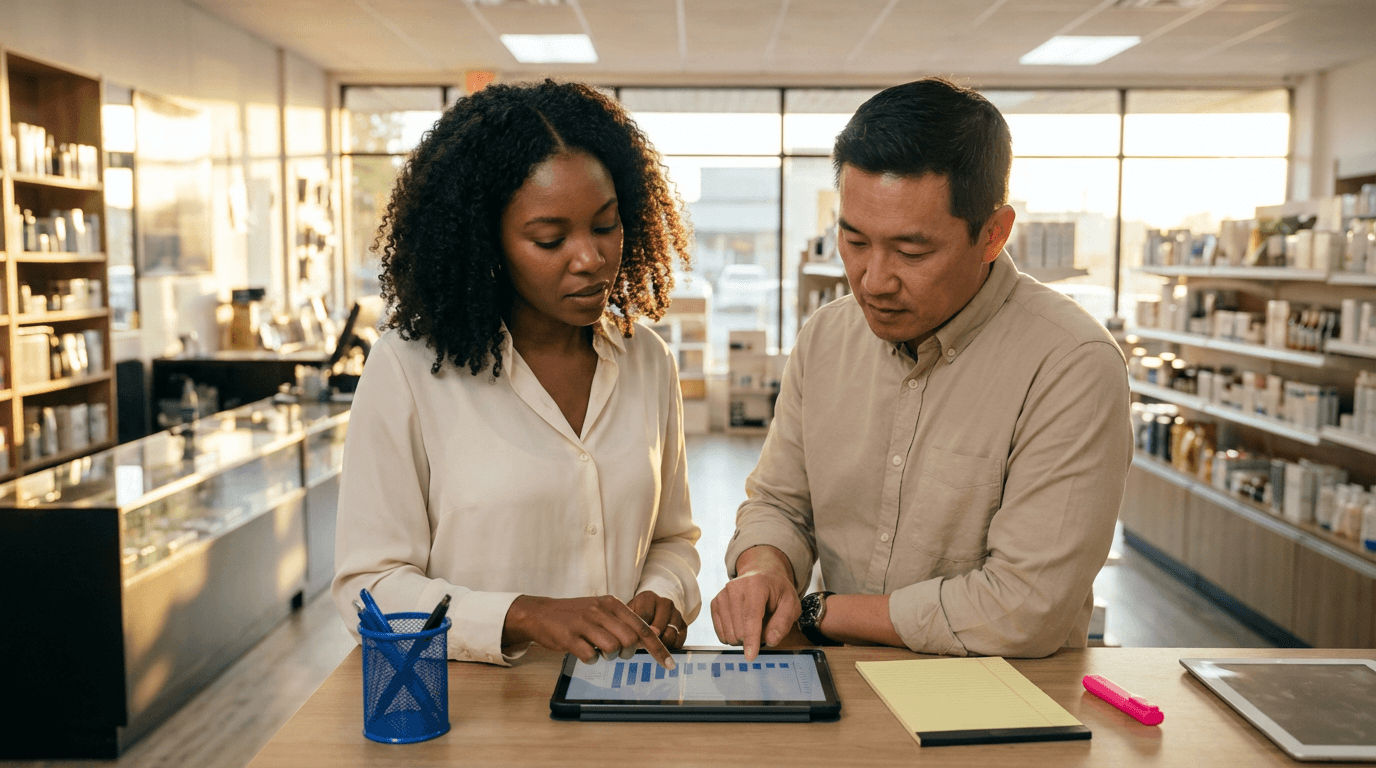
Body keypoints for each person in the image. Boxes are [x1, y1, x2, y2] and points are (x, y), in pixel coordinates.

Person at [710, 77, 1132, 660]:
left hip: (997, 707)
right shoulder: (827, 338)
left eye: (911, 252)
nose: (874, 281)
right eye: (854, 241)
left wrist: (817, 610)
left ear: (993, 234)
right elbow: (781, 503)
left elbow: (1025, 606)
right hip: (843, 683)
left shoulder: (1070, 365)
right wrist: (763, 569)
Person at [333, 80, 700, 669]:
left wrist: (664, 592)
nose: (590, 257)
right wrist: (521, 614)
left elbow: (673, 539)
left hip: (624, 702)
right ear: (487, 244)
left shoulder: (647, 361)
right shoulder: (407, 369)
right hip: (479, 716)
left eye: (605, 226)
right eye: (550, 239)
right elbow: (369, 589)